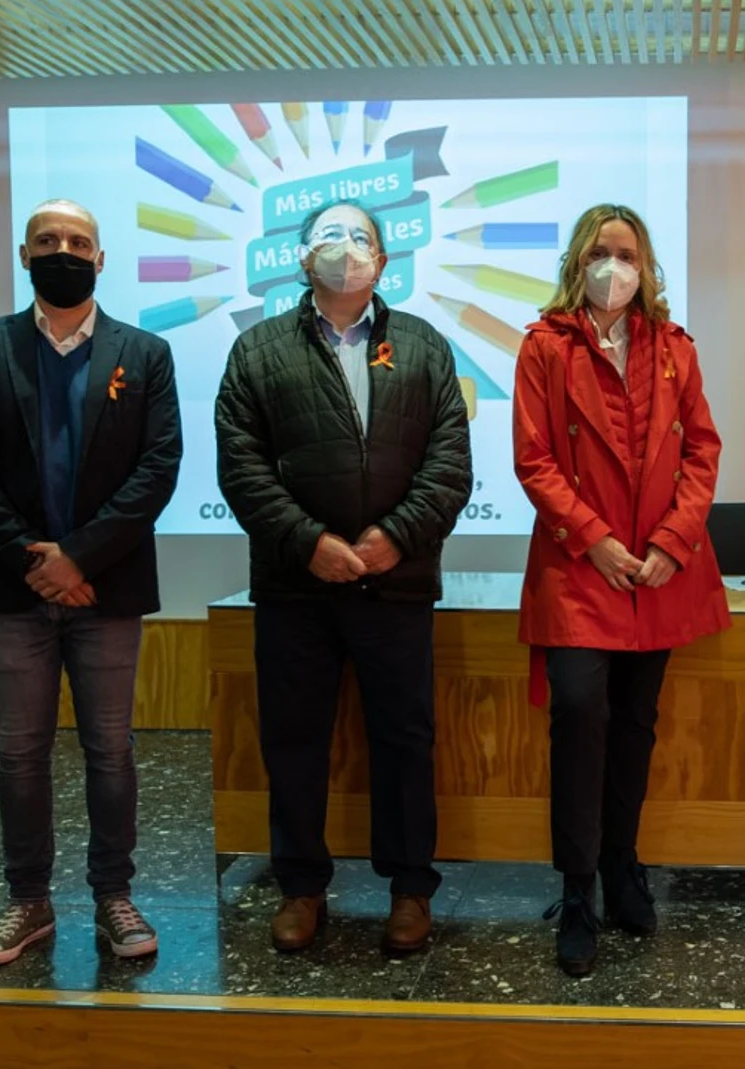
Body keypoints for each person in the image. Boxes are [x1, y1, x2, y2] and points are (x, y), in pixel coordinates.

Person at [215, 200, 472, 957]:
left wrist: (396, 536)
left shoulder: (423, 347)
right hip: (297, 586)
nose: (346, 248)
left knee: (404, 740)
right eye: (329, 234)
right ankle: (300, 886)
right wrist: (308, 541)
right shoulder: (258, 350)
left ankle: (409, 889)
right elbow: (241, 464)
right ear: (301, 259)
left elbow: (450, 462)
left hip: (396, 583)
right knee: (294, 739)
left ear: (385, 262)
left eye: (361, 237)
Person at [0, 199, 183, 967]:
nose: (63, 250)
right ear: (24, 253)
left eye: (78, 241)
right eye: (48, 240)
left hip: (108, 587)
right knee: (20, 752)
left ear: (101, 259)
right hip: (15, 590)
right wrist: (33, 559)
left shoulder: (145, 353)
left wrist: (79, 556)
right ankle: (27, 902)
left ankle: (114, 895)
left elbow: (158, 468)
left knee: (111, 749)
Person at [511, 204, 729, 977]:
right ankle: (576, 889)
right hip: (581, 565)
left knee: (636, 721)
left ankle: (621, 863)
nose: (615, 265)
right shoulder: (544, 344)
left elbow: (702, 448)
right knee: (578, 713)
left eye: (627, 252)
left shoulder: (674, 347)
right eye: (601, 251)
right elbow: (533, 460)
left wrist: (673, 542)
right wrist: (594, 539)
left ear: (647, 265)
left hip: (659, 570)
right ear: (579, 259)